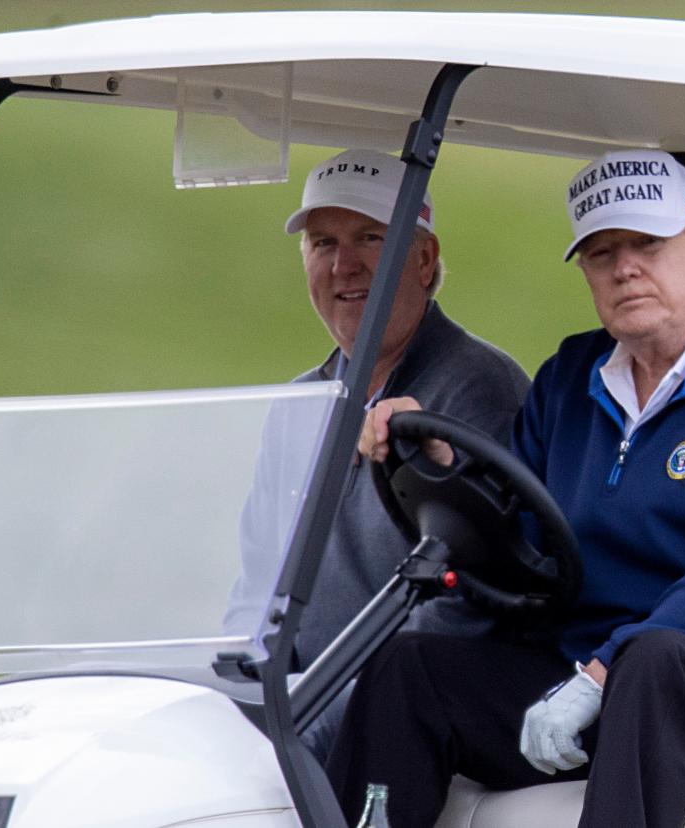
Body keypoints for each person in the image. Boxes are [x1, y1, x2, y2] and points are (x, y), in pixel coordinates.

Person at [328, 149, 685, 826]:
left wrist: (604, 672)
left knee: (657, 662)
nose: (624, 267)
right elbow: (520, 540)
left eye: (647, 243)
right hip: (620, 677)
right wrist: (442, 463)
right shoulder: (571, 377)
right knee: (411, 670)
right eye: (601, 252)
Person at [222, 149, 530, 754]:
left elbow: (469, 602)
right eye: (322, 243)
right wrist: (234, 685)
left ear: (423, 259)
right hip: (299, 698)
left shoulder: (477, 387)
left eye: (370, 238)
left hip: (404, 704)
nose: (344, 266)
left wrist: (325, 717)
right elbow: (255, 587)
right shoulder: (299, 403)